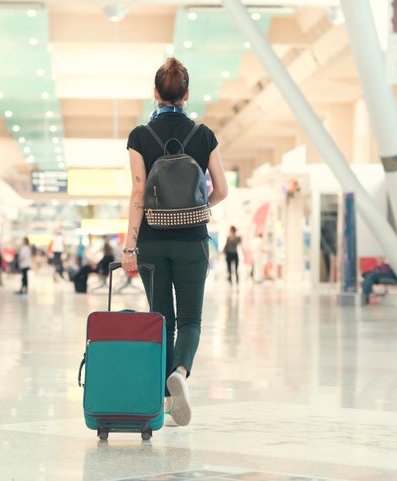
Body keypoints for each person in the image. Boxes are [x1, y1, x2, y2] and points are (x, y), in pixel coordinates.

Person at [121, 57, 229, 427]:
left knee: (162, 319)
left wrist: (130, 246)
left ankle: (166, 401)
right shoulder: (204, 135)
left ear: (155, 93)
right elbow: (222, 189)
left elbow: (138, 191)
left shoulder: (139, 136)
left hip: (151, 240)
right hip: (192, 242)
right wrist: (200, 208)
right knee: (191, 319)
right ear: (186, 94)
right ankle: (181, 372)